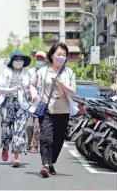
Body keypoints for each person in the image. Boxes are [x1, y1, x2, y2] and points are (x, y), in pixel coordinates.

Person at [30, 42, 78, 178]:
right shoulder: (43, 71)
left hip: (63, 111)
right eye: (59, 54)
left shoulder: (69, 73)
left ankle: (51, 162)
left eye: (64, 54)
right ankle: (45, 164)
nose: (61, 57)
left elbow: (73, 91)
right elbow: (32, 85)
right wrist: (34, 97)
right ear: (51, 55)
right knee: (46, 138)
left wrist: (63, 85)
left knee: (58, 140)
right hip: (47, 110)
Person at [0, 51, 32, 167]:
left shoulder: (26, 73)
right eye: (17, 59)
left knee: (19, 130)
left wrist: (29, 92)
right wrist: (11, 90)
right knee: (6, 131)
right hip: (7, 103)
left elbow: (30, 87)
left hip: (22, 105)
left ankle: (15, 157)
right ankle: (5, 146)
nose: (19, 61)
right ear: (12, 61)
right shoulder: (6, 72)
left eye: (21, 59)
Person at [26, 51, 47, 153]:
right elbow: (26, 86)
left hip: (41, 104)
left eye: (42, 59)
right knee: (29, 126)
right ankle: (29, 142)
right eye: (38, 58)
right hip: (30, 103)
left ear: (45, 60)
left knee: (37, 127)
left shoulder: (47, 72)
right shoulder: (30, 72)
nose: (40, 60)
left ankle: (35, 145)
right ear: (35, 59)